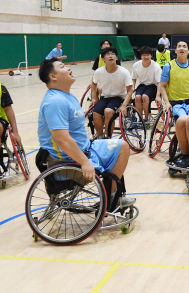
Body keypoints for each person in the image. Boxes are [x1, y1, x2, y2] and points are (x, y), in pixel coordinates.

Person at [37, 58, 134, 207]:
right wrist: (85, 162)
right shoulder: (55, 101)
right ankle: (111, 199)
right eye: (62, 66)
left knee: (118, 147)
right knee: (122, 147)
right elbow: (62, 140)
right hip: (68, 161)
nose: (68, 68)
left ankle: (113, 194)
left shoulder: (66, 96)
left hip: (83, 150)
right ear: (53, 76)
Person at [91, 48, 133, 138]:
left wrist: (124, 105)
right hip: (105, 97)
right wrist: (94, 97)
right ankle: (101, 137)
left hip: (119, 97)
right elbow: (93, 83)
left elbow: (130, 90)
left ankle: (108, 138)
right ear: (103, 59)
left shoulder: (124, 72)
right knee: (95, 114)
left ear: (117, 58)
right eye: (108, 54)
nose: (110, 55)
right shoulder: (99, 71)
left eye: (113, 54)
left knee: (108, 111)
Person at [159, 40, 189, 119]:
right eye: (179, 46)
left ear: (188, 51)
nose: (182, 48)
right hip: (175, 103)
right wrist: (167, 102)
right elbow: (162, 86)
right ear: (175, 51)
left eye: (184, 47)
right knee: (184, 118)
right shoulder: (168, 66)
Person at [121, 46, 161, 126]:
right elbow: (133, 79)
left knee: (145, 97)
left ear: (151, 56)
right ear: (141, 56)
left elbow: (159, 82)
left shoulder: (156, 66)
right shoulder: (136, 65)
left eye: (148, 55)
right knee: (138, 97)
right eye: (144, 55)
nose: (146, 57)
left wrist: (158, 96)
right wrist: (131, 89)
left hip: (153, 86)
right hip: (142, 85)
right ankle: (140, 118)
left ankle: (146, 119)